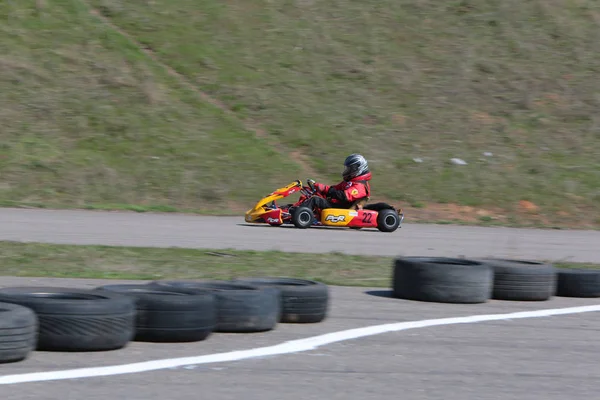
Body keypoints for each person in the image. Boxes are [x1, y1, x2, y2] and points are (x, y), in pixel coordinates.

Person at [297, 153, 372, 212]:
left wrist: (327, 191)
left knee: (315, 200)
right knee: (311, 195)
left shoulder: (360, 186)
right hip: (338, 204)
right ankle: (294, 209)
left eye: (350, 169)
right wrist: (320, 187)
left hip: (343, 209)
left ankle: (301, 214)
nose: (347, 171)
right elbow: (335, 188)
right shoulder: (350, 181)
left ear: (357, 169)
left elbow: (344, 196)